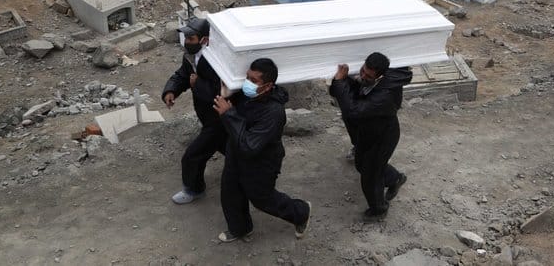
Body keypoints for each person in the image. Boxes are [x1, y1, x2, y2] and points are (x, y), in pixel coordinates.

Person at [213, 58, 311, 243]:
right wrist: (226, 95)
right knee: (231, 191)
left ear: (267, 87)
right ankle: (240, 229)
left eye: (254, 81)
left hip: (261, 161)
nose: (247, 83)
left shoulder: (273, 112)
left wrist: (229, 114)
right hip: (236, 152)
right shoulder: (245, 95)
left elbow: (250, 146)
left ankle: (300, 212)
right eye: (247, 77)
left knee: (261, 199)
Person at [330, 52, 412, 220]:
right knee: (361, 163)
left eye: (367, 75)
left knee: (370, 175)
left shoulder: (385, 95)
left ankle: (378, 210)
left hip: (383, 136)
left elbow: (354, 111)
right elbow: (348, 93)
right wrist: (340, 82)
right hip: (370, 131)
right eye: (363, 70)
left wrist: (340, 82)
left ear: (379, 76)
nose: (362, 76)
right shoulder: (374, 80)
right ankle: (395, 178)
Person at [162, 16, 225, 204]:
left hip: (217, 119)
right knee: (229, 147)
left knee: (192, 156)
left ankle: (193, 189)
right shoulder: (191, 55)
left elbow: (219, 93)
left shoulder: (216, 61)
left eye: (191, 39)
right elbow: (183, 74)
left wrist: (197, 84)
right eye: (186, 39)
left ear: (204, 40)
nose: (186, 43)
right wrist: (171, 90)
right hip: (207, 117)